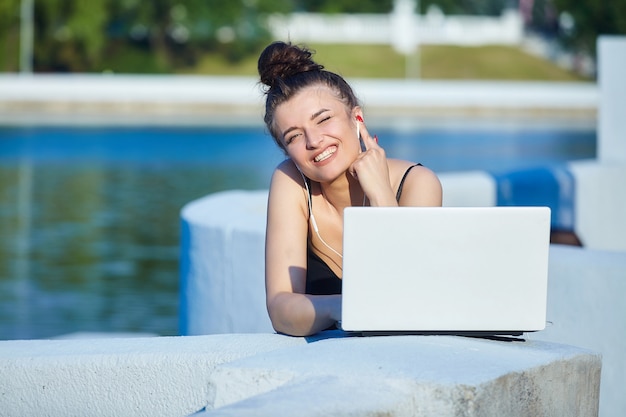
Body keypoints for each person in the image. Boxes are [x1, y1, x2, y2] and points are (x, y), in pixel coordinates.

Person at [259, 41, 442, 337]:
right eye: (294, 136)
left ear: (356, 118)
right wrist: (347, 308)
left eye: (324, 119)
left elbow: (412, 292)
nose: (314, 141)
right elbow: (281, 309)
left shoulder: (417, 182)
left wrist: (381, 193)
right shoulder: (291, 182)